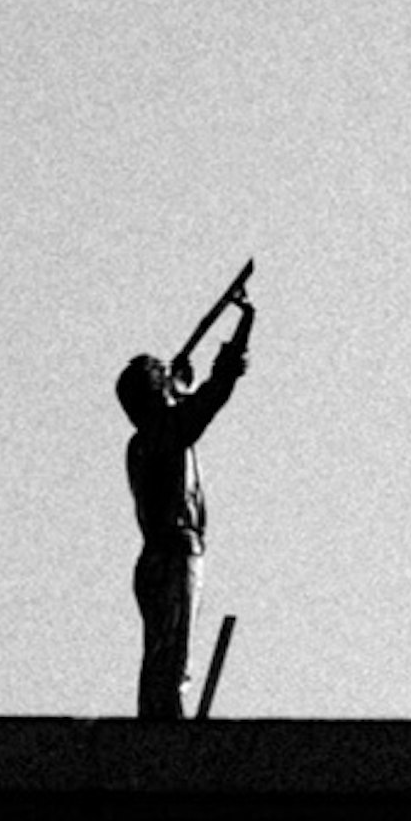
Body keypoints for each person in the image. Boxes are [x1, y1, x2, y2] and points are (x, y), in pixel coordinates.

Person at [115, 290, 253, 722]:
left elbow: (182, 410)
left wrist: (175, 387)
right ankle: (164, 733)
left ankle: (157, 723)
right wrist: (240, 335)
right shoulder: (164, 434)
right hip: (175, 552)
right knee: (172, 656)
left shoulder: (143, 441)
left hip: (156, 557)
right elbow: (213, 394)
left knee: (160, 651)